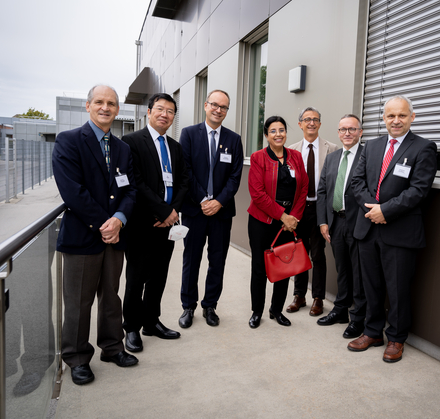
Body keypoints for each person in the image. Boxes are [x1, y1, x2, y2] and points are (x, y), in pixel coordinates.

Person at [52, 85, 138, 385]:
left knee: (111, 297)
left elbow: (130, 191)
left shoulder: (123, 149)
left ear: (118, 110)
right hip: (83, 237)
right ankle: (76, 357)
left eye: (111, 103)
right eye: (99, 102)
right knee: (79, 302)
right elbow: (72, 191)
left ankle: (112, 348)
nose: (105, 107)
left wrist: (119, 220)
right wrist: (106, 224)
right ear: (88, 106)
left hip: (115, 237)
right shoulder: (69, 141)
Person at [349, 95, 437, 363]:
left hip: (400, 231)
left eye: (401, 115)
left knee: (398, 289)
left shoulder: (423, 147)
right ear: (383, 118)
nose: (396, 120)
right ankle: (372, 332)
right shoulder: (371, 146)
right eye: (390, 115)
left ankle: (397, 338)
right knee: (371, 286)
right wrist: (373, 209)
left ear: (412, 117)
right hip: (368, 228)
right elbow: (356, 182)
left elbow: (418, 190)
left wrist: (385, 211)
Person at [121, 93, 189, 353]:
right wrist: (162, 211)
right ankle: (131, 327)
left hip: (168, 225)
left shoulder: (175, 147)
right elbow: (135, 182)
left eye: (170, 111)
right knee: (136, 277)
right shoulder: (131, 142)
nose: (165, 114)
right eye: (160, 109)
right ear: (149, 112)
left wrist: (173, 212)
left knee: (159, 276)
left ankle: (151, 321)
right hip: (142, 223)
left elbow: (183, 181)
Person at [178, 90, 244, 328]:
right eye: (214, 105)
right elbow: (185, 171)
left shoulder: (234, 139)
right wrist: (203, 200)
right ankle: (188, 306)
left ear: (227, 111)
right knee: (191, 260)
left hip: (221, 213)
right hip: (194, 210)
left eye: (223, 107)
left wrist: (219, 202)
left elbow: (235, 177)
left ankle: (210, 306)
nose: (218, 110)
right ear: (206, 105)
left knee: (217, 261)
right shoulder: (188, 134)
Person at [247, 116, 308, 328]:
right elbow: (257, 193)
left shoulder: (296, 157)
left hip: (289, 223)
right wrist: (283, 216)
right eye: (273, 131)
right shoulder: (258, 158)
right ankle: (257, 311)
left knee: (284, 267)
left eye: (281, 130)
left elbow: (304, 188)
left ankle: (277, 310)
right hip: (262, 221)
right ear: (266, 135)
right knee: (259, 268)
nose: (278, 134)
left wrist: (294, 218)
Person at [316, 114, 367, 339]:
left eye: (352, 129)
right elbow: (322, 191)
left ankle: (358, 318)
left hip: (359, 223)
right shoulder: (332, 158)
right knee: (342, 269)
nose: (347, 133)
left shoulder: (368, 156)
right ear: (338, 133)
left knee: (359, 272)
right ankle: (340, 310)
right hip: (335, 222)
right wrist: (323, 221)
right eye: (343, 129)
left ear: (360, 132)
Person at [286, 107, 338, 316]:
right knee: (299, 252)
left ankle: (318, 298)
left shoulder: (332, 148)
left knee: (318, 254)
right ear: (300, 124)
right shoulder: (291, 150)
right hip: (299, 209)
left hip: (320, 207)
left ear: (320, 124)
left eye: (315, 119)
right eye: (307, 119)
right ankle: (299, 295)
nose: (311, 123)